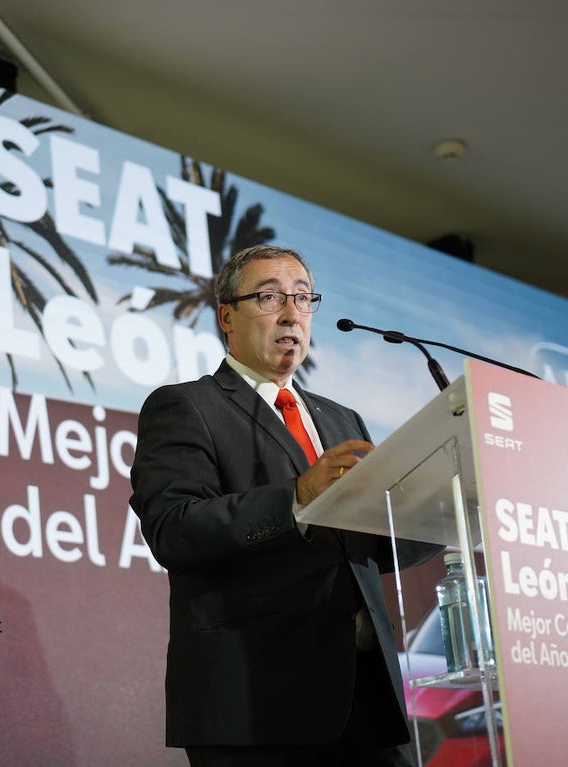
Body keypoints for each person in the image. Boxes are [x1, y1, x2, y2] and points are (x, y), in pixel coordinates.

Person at [130, 244, 442, 766]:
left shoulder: (342, 419)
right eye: (270, 297)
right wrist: (296, 496)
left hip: (368, 695)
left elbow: (368, 544)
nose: (292, 314)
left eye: (302, 297)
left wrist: (445, 512)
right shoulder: (186, 406)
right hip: (258, 697)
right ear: (227, 317)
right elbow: (173, 529)